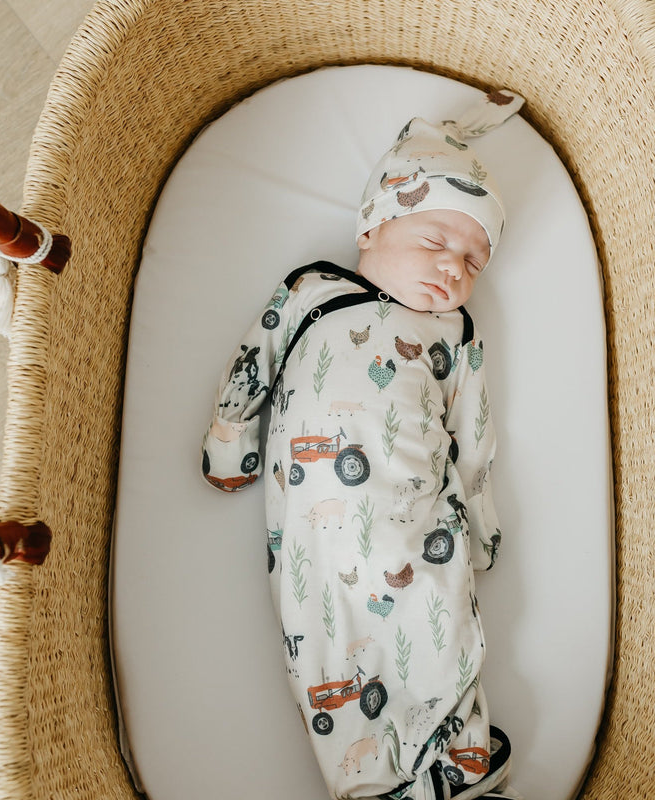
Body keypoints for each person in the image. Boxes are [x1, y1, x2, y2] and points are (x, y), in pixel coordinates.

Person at [201, 89, 524, 800]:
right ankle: (373, 787)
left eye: (475, 261)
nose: (453, 270)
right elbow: (253, 358)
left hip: (418, 531)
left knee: (440, 640)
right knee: (325, 662)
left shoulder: (456, 336)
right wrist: (229, 440)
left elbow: (474, 440)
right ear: (372, 226)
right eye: (437, 242)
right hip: (316, 544)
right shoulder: (315, 291)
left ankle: (459, 763)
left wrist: (480, 530)